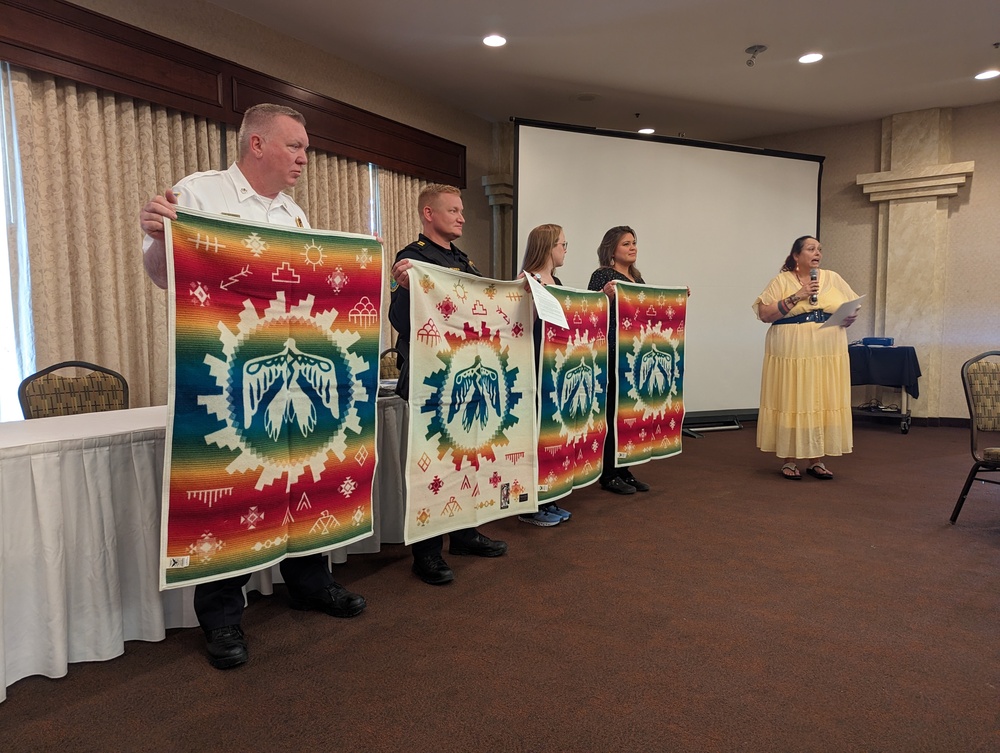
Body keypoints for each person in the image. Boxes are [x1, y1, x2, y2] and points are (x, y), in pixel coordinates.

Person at [139, 103, 366, 669]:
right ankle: (220, 617)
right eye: (295, 146)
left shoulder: (294, 216)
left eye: (306, 149)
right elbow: (164, 275)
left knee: (299, 472)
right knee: (233, 481)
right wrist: (156, 235)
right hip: (225, 369)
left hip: (292, 367)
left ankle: (310, 582)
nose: (303, 158)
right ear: (257, 144)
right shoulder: (200, 194)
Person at [388, 184, 508, 585]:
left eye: (461, 210)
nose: (460, 216)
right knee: (432, 465)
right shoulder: (413, 259)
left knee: (467, 458)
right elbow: (401, 322)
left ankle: (464, 533)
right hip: (431, 381)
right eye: (453, 210)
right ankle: (426, 553)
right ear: (428, 213)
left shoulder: (463, 262)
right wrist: (405, 290)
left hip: (466, 378)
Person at [752, 235, 859, 480]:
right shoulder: (781, 280)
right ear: (796, 256)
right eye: (811, 249)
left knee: (820, 397)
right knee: (794, 396)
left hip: (828, 349)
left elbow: (851, 306)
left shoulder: (833, 278)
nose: (817, 253)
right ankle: (789, 460)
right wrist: (798, 295)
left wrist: (849, 317)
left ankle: (816, 459)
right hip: (792, 350)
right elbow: (765, 314)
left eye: (819, 249)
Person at [587, 225, 651, 495]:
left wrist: (677, 298)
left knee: (628, 413)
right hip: (612, 351)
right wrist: (604, 295)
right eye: (626, 243)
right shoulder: (603, 275)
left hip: (634, 354)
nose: (633, 247)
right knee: (612, 413)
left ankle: (625, 467)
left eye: (634, 242)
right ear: (611, 249)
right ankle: (609, 473)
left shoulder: (637, 278)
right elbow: (590, 307)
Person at [517, 223, 572, 526]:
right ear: (549, 246)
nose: (565, 250)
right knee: (534, 436)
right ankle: (530, 505)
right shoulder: (526, 281)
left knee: (551, 434)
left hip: (555, 369)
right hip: (534, 368)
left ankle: (548, 497)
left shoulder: (557, 280)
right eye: (563, 244)